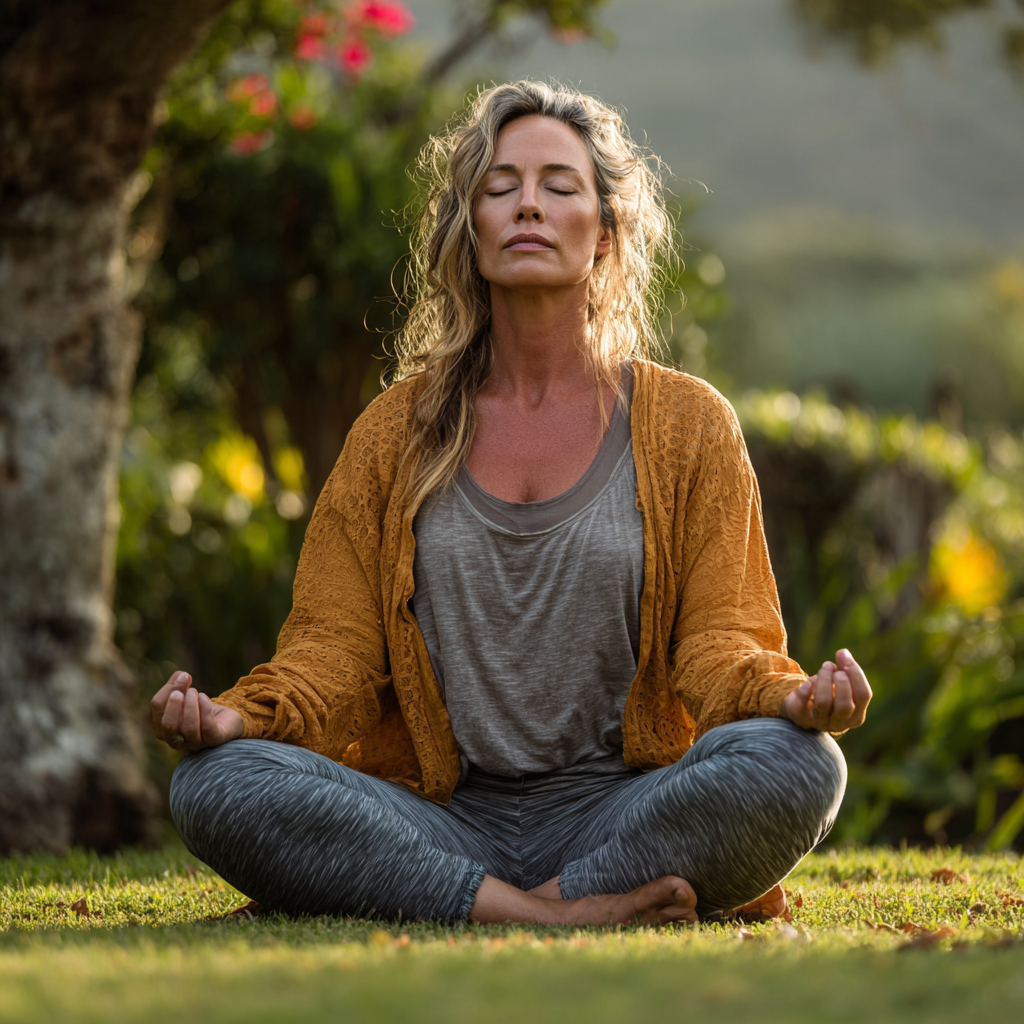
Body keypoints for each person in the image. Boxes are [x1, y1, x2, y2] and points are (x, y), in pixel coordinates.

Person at [153, 81, 871, 927]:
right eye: (500, 187)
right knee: (212, 782)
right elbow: (333, 651)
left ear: (605, 234)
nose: (528, 204)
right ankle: (556, 914)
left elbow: (720, 642)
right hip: (441, 817)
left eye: (559, 186)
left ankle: (506, 901)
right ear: (472, 229)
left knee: (798, 764)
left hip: (619, 812)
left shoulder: (689, 426)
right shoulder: (394, 432)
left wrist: (786, 700)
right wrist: (241, 715)